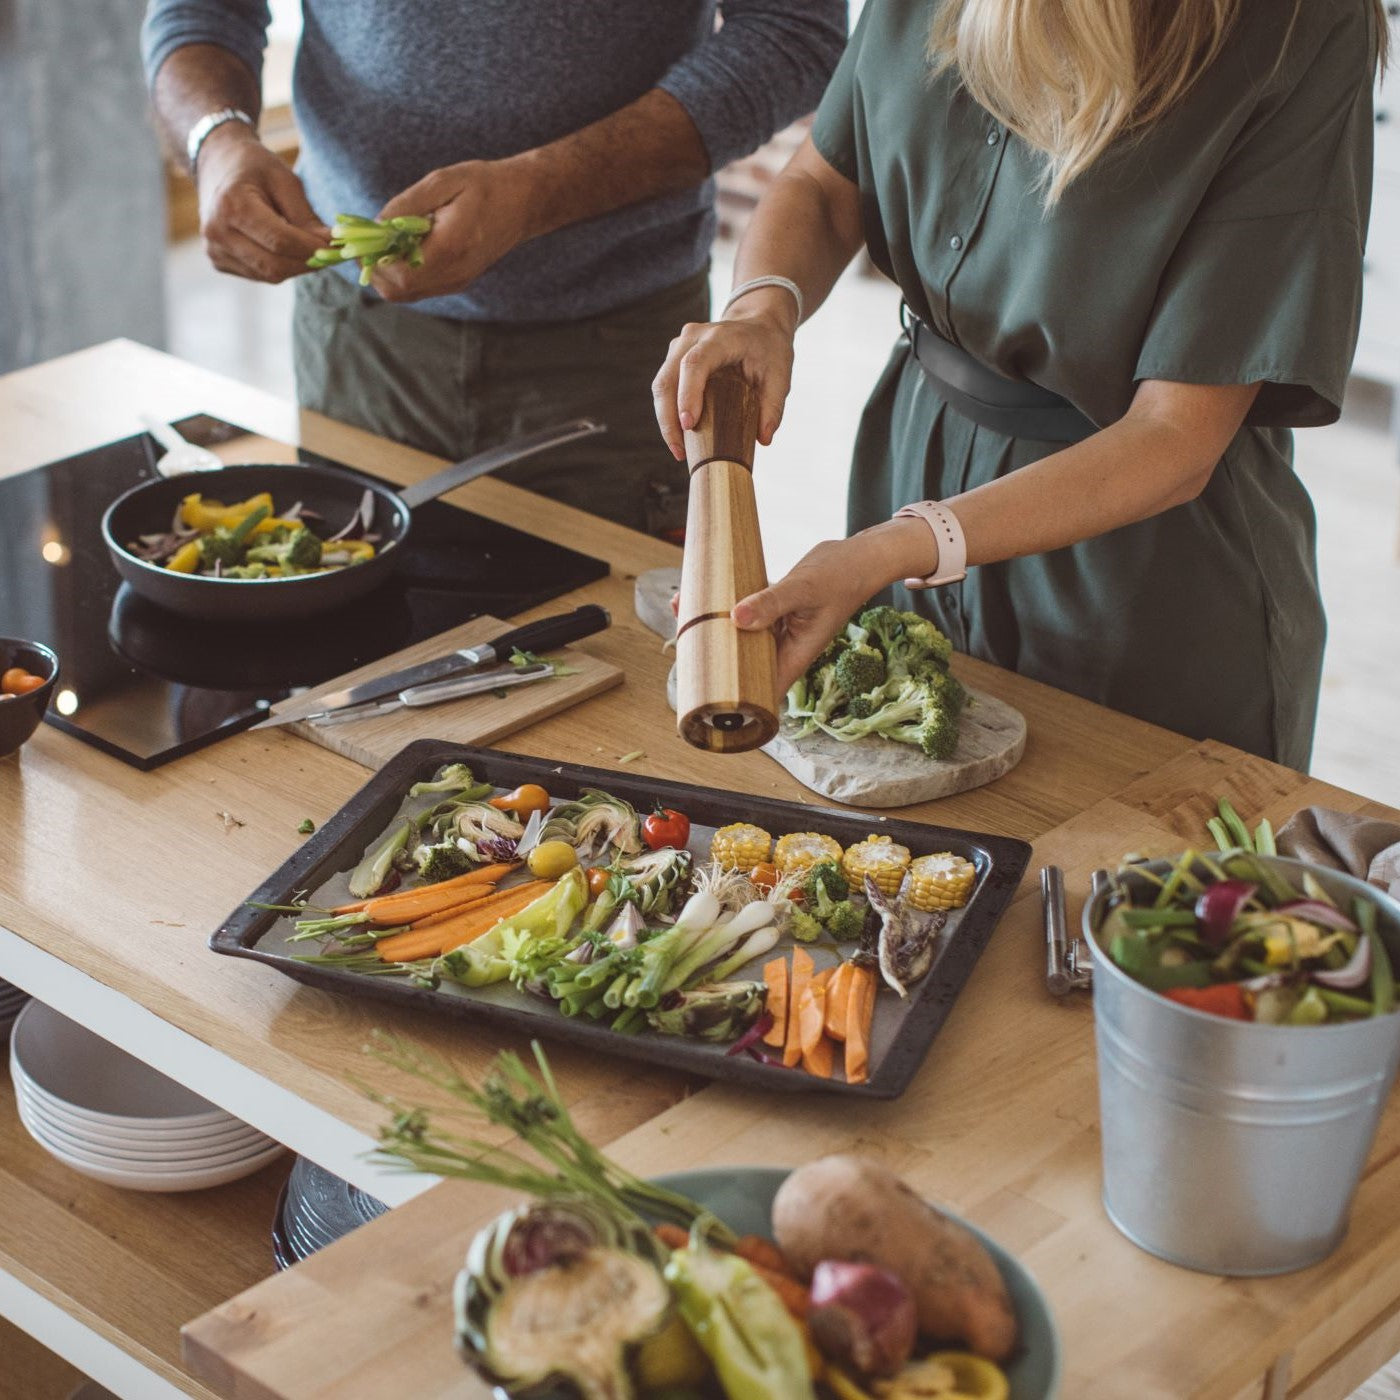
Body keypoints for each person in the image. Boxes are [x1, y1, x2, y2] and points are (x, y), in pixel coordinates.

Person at [654, 0, 1387, 768]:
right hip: (913, 456)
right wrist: (763, 306)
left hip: (1141, 564)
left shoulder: (1302, 25)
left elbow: (1176, 436)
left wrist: (895, 548)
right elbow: (822, 180)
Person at [141, 1, 845, 533]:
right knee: (350, 656)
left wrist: (540, 191)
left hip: (621, 353)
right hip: (356, 339)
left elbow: (793, 31)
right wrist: (215, 140)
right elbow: (198, 9)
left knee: (611, 685)